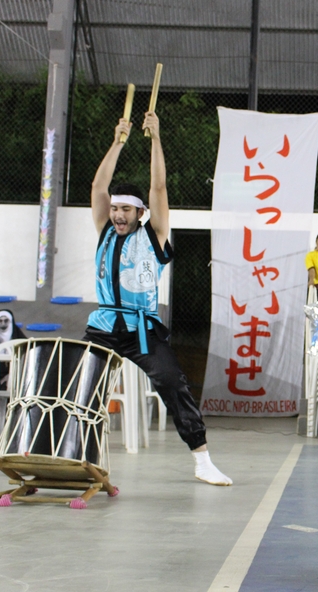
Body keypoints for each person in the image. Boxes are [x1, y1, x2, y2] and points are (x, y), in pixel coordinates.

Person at [85, 112, 231, 486]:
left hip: (141, 329)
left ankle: (202, 459)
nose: (117, 214)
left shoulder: (154, 235)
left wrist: (155, 140)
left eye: (125, 209)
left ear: (140, 213)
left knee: (172, 381)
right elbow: (99, 184)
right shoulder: (105, 230)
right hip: (103, 325)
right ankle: (70, 456)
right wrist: (118, 141)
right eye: (115, 208)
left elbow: (160, 188)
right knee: (78, 384)